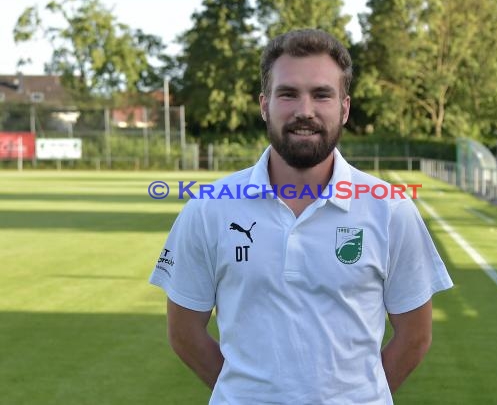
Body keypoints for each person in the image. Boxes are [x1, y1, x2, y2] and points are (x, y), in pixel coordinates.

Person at [149, 29, 453, 404]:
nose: (304, 110)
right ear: (265, 105)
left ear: (344, 107)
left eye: (321, 94)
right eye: (288, 93)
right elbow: (184, 333)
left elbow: (415, 337)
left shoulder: (390, 210)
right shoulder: (208, 208)